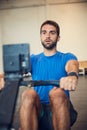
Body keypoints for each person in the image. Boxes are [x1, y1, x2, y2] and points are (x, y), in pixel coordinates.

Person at [0, 20, 79, 130]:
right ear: (40, 36)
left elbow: (72, 65)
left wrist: (72, 75)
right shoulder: (33, 59)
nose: (48, 36)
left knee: (57, 93)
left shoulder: (67, 57)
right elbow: (15, 71)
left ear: (58, 37)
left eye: (52, 33)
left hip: (60, 108)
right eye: (44, 32)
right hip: (38, 110)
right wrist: (3, 78)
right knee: (28, 94)